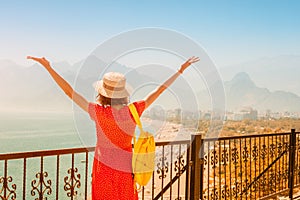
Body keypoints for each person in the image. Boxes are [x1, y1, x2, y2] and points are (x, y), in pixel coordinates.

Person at [27, 55, 200, 200]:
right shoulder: (134, 110)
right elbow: (159, 90)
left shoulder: (98, 112)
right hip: (126, 169)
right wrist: (180, 70)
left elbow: (69, 92)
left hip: (103, 169)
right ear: (123, 94)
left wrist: (48, 68)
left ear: (102, 94)